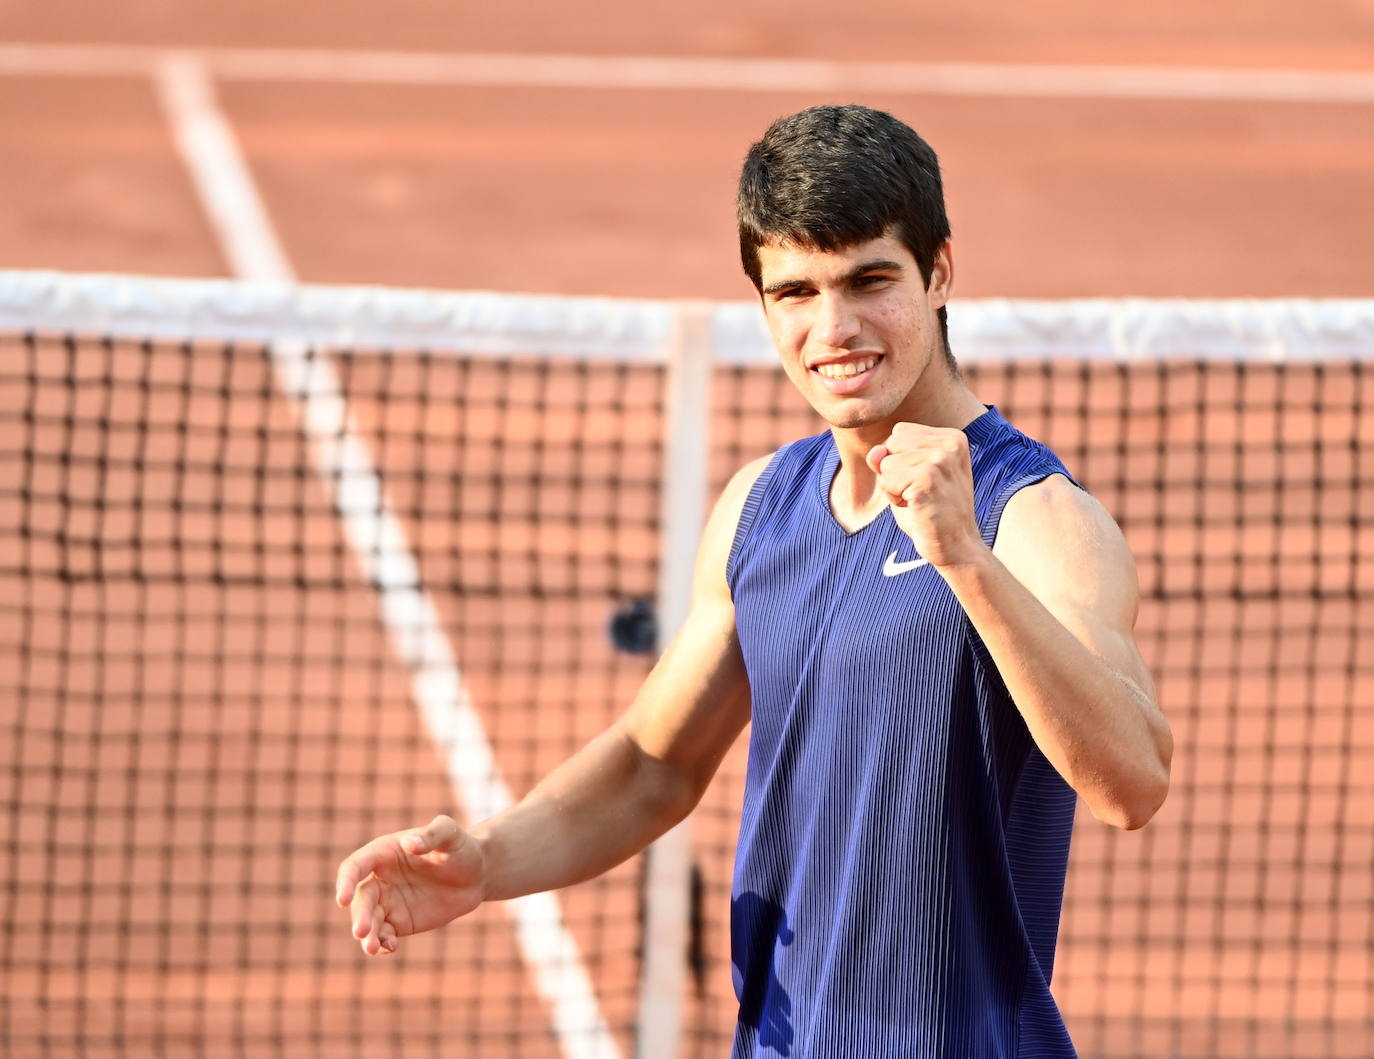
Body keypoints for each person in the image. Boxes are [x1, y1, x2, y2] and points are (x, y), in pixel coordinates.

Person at [335, 104, 1172, 1056]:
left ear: (940, 271)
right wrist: (488, 859)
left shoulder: (1035, 517)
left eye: (870, 280)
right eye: (796, 292)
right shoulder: (761, 507)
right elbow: (656, 762)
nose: (835, 328)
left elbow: (1133, 780)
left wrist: (966, 563)